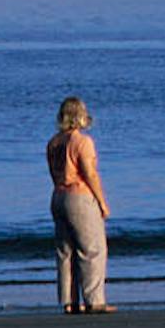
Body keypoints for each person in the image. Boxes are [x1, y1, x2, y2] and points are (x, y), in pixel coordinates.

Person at [46, 96, 114, 314]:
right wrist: (102, 201)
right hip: (79, 196)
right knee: (92, 248)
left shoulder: (54, 142)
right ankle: (94, 300)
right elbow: (89, 173)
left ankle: (69, 301)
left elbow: (52, 173)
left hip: (58, 195)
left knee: (66, 251)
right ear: (80, 116)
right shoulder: (82, 142)